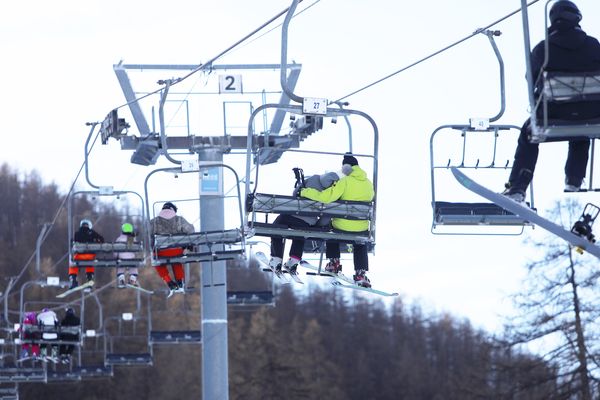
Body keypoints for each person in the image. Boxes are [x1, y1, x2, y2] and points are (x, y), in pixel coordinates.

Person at [503, 0, 600, 202]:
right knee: (582, 129)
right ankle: (574, 180)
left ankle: (517, 188)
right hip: (593, 113)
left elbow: (530, 80)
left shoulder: (542, 49)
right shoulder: (594, 45)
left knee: (528, 134)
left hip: (553, 115)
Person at [300, 153, 375, 288]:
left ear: (346, 167)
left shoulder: (345, 181)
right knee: (360, 241)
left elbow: (326, 197)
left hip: (341, 226)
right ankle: (360, 273)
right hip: (361, 227)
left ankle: (334, 263)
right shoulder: (369, 184)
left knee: (330, 230)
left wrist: (305, 192)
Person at [267, 168, 351, 274]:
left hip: (291, 215)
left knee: (276, 227)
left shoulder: (314, 178)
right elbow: (326, 217)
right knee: (300, 233)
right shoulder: (331, 194)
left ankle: (276, 258)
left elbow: (295, 193)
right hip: (307, 222)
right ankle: (294, 260)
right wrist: (316, 225)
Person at [150, 202, 195, 297]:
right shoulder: (179, 220)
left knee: (156, 261)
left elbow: (148, 235)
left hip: (161, 252)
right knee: (177, 261)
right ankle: (180, 283)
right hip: (177, 250)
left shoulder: (154, 221)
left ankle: (169, 281)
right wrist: (188, 244)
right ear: (173, 210)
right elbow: (190, 230)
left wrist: (152, 247)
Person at [69, 219, 105, 290]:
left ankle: (74, 281)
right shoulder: (92, 233)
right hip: (90, 256)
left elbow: (73, 243)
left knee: (73, 265)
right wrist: (96, 241)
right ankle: (89, 280)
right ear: (89, 225)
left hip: (79, 256)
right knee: (90, 264)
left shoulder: (77, 233)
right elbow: (102, 239)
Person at [115, 222, 140, 288]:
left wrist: (116, 257)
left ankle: (121, 279)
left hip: (121, 259)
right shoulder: (132, 239)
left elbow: (115, 250)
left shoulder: (119, 239)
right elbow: (136, 251)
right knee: (133, 268)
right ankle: (132, 278)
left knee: (120, 267)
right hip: (131, 258)